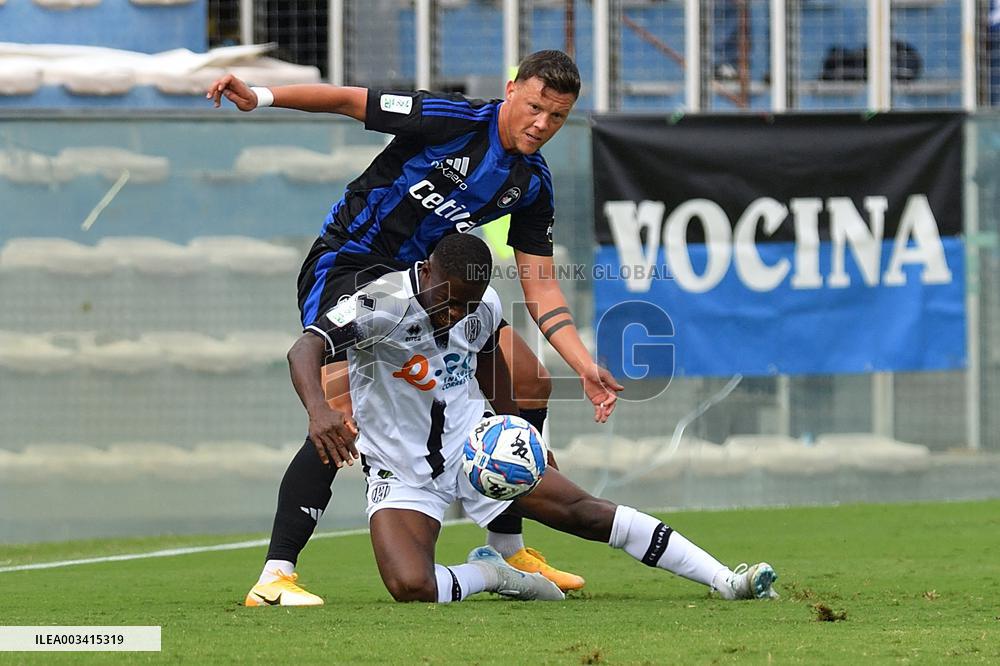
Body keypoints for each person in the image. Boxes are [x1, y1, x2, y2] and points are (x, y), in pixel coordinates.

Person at [210, 50, 624, 605]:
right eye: (534, 108)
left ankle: (505, 547)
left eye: (557, 118)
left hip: (429, 290)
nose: (542, 125)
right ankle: (276, 576)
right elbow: (346, 100)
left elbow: (542, 285)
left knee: (528, 380)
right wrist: (260, 95)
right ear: (510, 91)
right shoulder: (450, 121)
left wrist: (583, 363)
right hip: (350, 266)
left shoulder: (531, 182)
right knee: (343, 413)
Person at [247, 234, 777, 605]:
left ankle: (726, 579)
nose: (456, 313)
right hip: (401, 470)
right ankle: (496, 574)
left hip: (477, 449)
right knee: (411, 588)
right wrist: (319, 411)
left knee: (588, 512)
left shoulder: (480, 304)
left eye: (468, 304)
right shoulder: (378, 303)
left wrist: (522, 434)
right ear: (427, 272)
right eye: (448, 301)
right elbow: (304, 350)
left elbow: (492, 368)